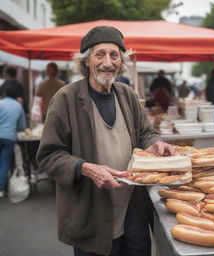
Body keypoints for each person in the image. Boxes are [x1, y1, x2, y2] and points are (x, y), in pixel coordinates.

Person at [36, 26, 175, 256]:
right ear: (86, 61)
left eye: (114, 55)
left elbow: (145, 132)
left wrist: (155, 143)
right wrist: (86, 168)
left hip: (133, 210)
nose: (108, 63)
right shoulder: (66, 99)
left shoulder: (127, 94)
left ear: (121, 61)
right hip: (91, 212)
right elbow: (49, 155)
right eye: (100, 54)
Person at [0, 83, 27, 198]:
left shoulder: (0, 103)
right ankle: (0, 189)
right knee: (5, 161)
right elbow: (22, 126)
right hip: (9, 137)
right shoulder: (18, 106)